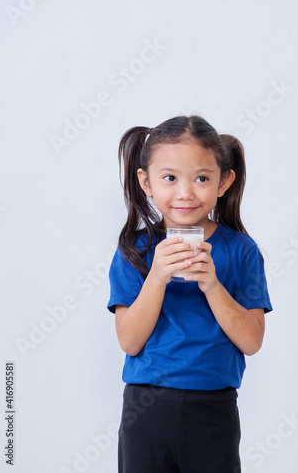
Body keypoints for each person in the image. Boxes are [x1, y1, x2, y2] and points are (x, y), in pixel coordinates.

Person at [107, 115, 273, 473]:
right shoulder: (134, 250)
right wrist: (156, 278)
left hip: (214, 410)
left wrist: (213, 285)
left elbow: (252, 341)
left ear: (223, 181)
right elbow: (129, 342)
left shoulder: (241, 251)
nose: (185, 192)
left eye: (201, 178)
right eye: (169, 178)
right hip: (145, 408)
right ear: (146, 182)